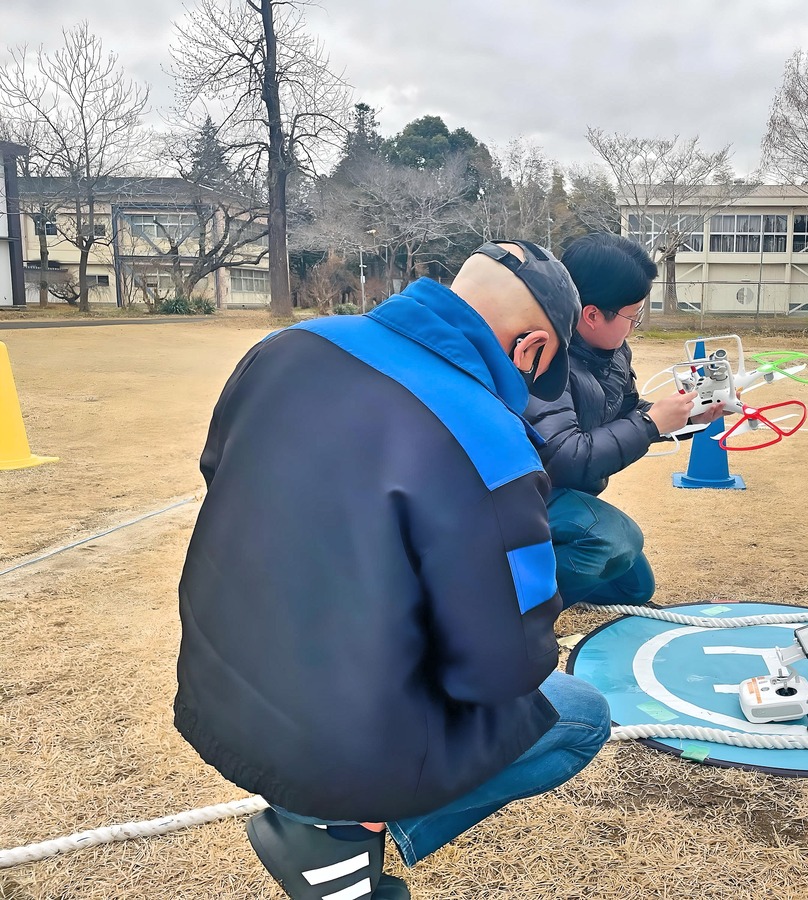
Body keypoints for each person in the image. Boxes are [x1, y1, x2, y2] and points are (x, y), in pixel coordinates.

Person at [174, 240, 611, 900]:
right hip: (336, 742)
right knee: (579, 716)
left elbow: (220, 473)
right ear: (531, 350)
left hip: (218, 688)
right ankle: (340, 836)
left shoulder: (285, 347)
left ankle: (327, 821)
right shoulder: (489, 438)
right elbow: (504, 669)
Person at [524, 233, 724, 609]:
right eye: (633, 316)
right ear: (592, 315)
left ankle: (540, 580)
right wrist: (651, 424)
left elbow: (628, 412)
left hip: (563, 491)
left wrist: (688, 416)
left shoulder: (611, 351)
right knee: (614, 540)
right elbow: (564, 456)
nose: (635, 326)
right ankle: (507, 609)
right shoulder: (541, 358)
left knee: (632, 588)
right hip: (522, 494)